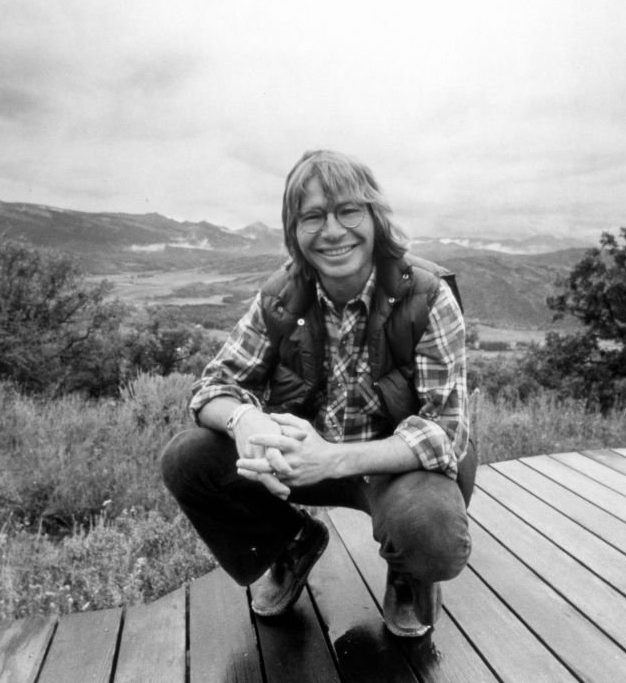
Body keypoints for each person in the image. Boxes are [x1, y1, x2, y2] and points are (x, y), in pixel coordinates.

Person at [160, 149, 475, 638]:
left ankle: (409, 575)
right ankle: (290, 543)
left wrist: (332, 459)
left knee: (431, 531)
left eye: (348, 210)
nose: (332, 230)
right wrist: (246, 422)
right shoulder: (280, 296)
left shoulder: (428, 296)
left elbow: (446, 433)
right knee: (189, 458)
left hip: (393, 468)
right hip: (302, 462)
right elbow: (212, 386)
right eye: (313, 216)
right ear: (295, 231)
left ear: (375, 218)